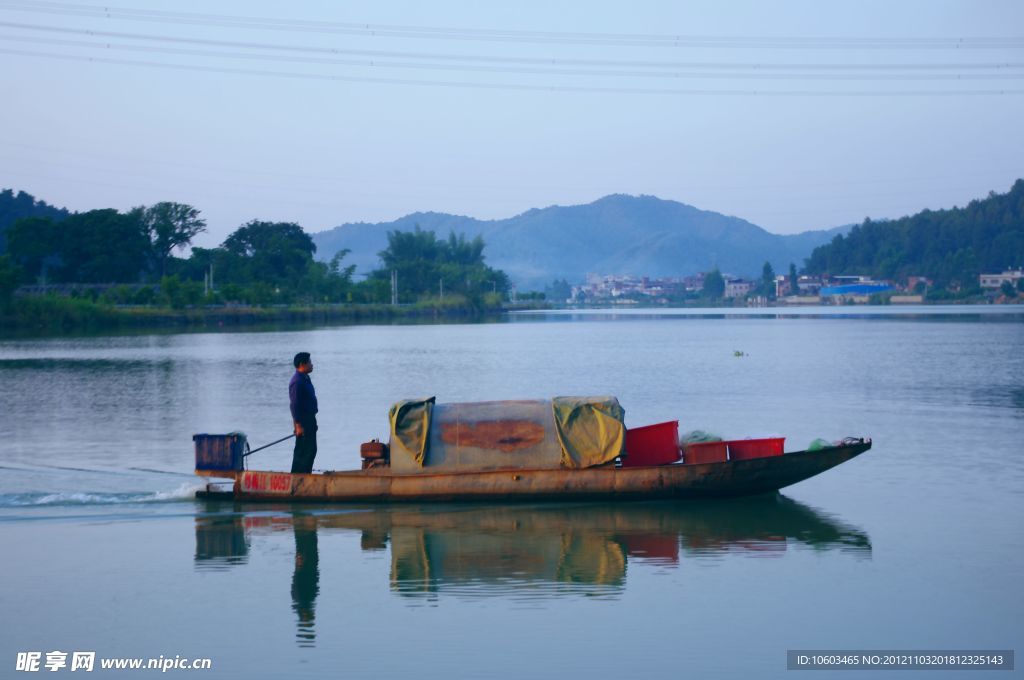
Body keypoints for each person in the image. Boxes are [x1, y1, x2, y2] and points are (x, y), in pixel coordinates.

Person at [289, 352, 318, 474]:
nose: (312, 365)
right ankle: (297, 479)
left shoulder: (305, 378)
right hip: (303, 421)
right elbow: (294, 405)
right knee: (303, 451)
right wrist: (298, 425)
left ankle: (306, 476)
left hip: (309, 419)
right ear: (302, 364)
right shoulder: (297, 381)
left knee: (311, 450)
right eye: (310, 362)